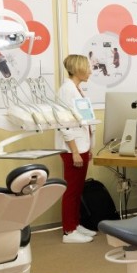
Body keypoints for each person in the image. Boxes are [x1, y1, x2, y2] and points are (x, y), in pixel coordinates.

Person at [56, 54, 95, 244]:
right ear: (78, 69)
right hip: (74, 149)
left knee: (78, 189)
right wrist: (75, 151)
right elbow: (63, 123)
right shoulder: (66, 90)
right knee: (71, 191)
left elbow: (84, 119)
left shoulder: (77, 90)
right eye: (87, 68)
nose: (90, 71)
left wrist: (90, 146)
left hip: (82, 146)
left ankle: (75, 224)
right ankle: (69, 231)